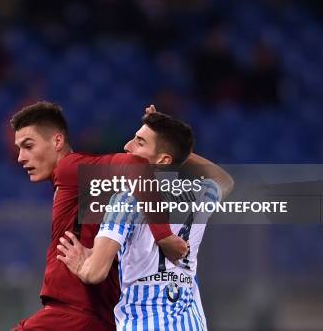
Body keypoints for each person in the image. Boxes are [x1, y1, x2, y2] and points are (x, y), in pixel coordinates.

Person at [10, 101, 188, 331]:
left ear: (57, 141)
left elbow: (137, 165)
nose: (20, 157)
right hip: (97, 316)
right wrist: (170, 137)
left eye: (28, 146)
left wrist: (163, 236)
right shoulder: (92, 186)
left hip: (73, 314)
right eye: (19, 148)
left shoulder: (70, 168)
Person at [57, 105, 234, 330]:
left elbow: (95, 273)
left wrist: (82, 266)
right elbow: (225, 180)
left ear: (163, 160)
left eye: (139, 142)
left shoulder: (127, 200)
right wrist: (179, 149)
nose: (127, 147)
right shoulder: (198, 195)